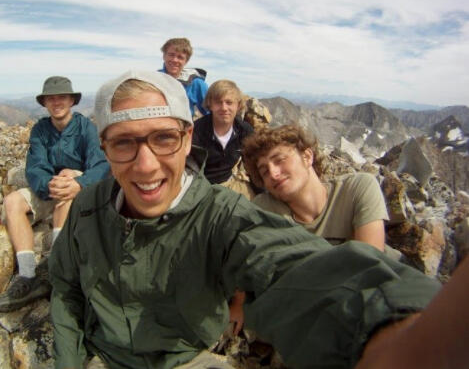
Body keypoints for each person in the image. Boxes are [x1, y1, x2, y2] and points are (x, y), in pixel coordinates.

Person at [48, 70, 447, 369]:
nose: (146, 165)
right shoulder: (88, 208)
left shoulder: (222, 215)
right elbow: (66, 289)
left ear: (187, 139)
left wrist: (389, 327)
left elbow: (291, 264)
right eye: (124, 143)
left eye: (164, 138)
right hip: (103, 357)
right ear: (104, 148)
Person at [0, 76, 110, 312]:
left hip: (78, 188)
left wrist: (79, 182)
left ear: (71, 101)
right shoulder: (40, 130)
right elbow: (35, 167)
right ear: (45, 103)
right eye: (51, 98)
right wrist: (50, 184)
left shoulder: (86, 128)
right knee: (12, 201)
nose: (57, 102)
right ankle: (27, 275)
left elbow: (100, 165)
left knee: (66, 195)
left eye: (62, 97)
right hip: (51, 187)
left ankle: (57, 269)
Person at [241, 124, 389, 252]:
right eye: (264, 171)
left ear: (307, 156)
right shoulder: (265, 210)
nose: (273, 174)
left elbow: (370, 263)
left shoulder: (356, 189)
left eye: (280, 160)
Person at [192, 79, 254, 199]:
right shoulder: (196, 131)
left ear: (238, 105)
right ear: (210, 104)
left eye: (229, 102)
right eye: (218, 102)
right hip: (200, 188)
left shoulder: (244, 131)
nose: (224, 108)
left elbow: (253, 164)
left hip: (230, 183)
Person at [159, 37, 209, 117]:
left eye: (180, 57)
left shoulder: (196, 83)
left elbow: (211, 112)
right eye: (171, 55)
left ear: (186, 61)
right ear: (164, 56)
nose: (175, 60)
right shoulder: (152, 80)